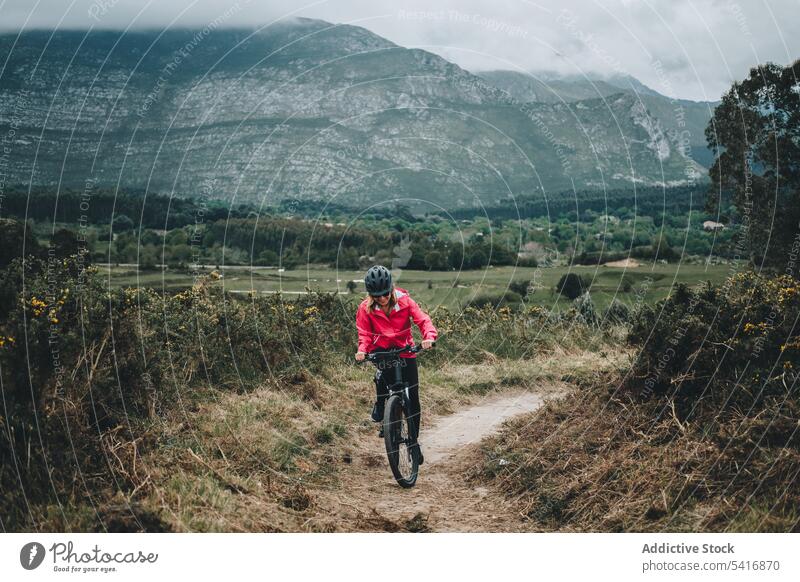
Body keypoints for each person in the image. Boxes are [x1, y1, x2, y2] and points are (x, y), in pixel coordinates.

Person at [355, 265, 437, 464]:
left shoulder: (405, 301)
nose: (382, 299)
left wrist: (429, 337)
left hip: (405, 351)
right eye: (377, 295)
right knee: (383, 381)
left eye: (385, 293)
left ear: (391, 289)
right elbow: (364, 333)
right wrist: (362, 350)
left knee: (413, 397)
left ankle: (413, 443)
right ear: (370, 294)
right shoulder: (365, 309)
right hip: (382, 352)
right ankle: (382, 406)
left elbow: (423, 320)